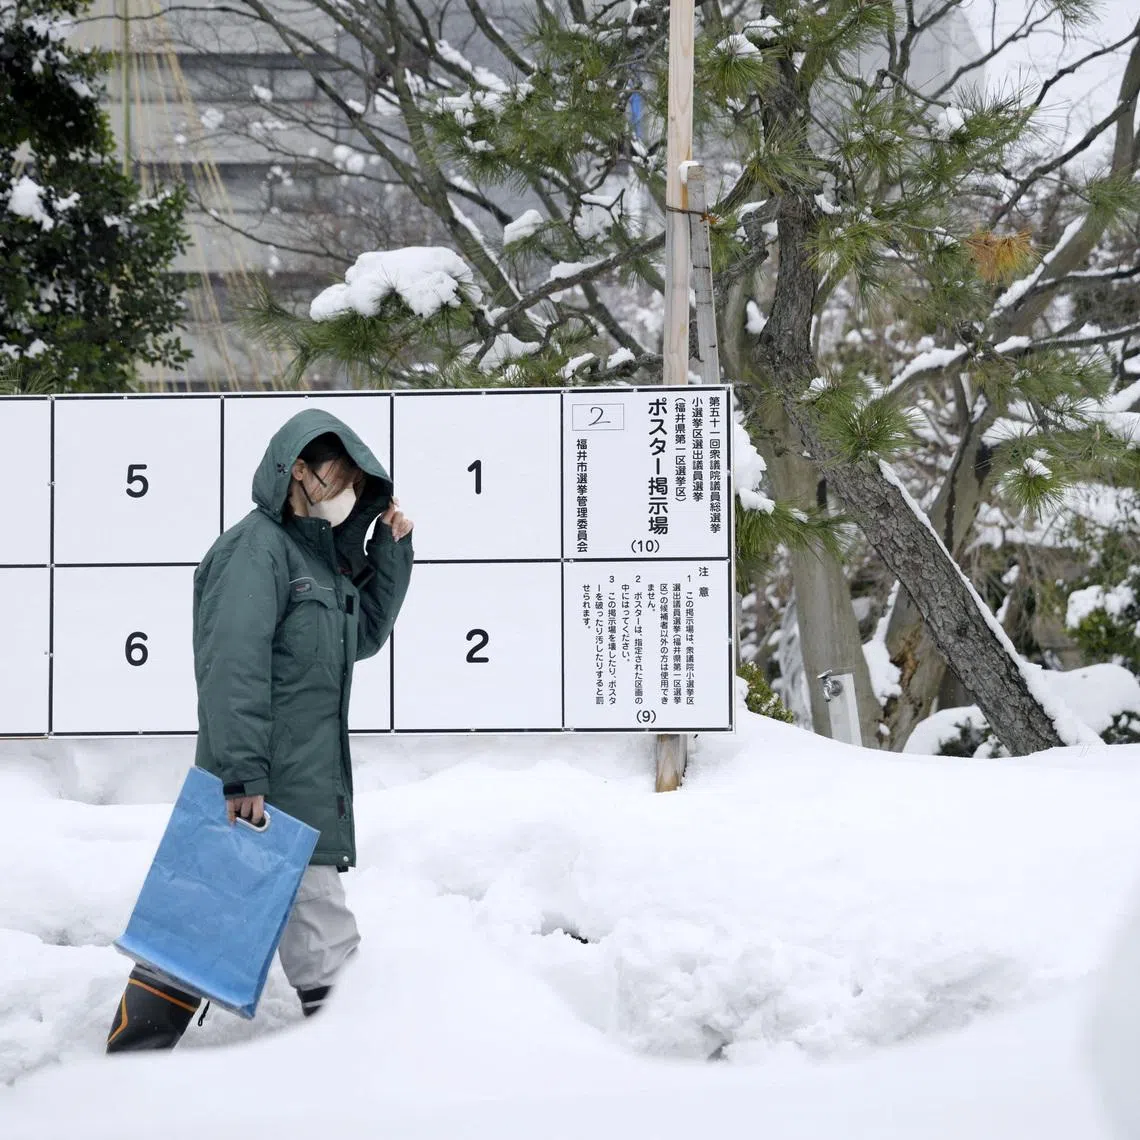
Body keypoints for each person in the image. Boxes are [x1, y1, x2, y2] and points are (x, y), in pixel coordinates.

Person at [105, 408, 414, 1052]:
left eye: (359, 480)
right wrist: (241, 772)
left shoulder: (317, 561)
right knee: (297, 934)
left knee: (206, 928)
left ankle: (133, 1066)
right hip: (264, 784)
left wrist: (389, 549)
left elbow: (359, 637)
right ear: (297, 470)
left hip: (299, 779)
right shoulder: (256, 549)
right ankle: (361, 1069)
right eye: (339, 475)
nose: (348, 490)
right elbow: (231, 668)